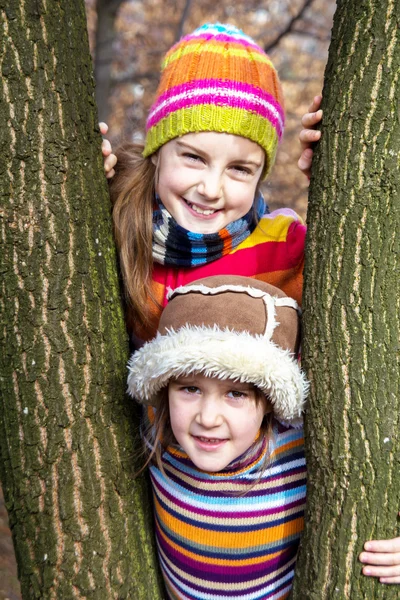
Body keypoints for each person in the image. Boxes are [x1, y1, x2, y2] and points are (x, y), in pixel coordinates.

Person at [101, 21, 400, 585]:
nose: (212, 188)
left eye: (240, 168)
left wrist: (340, 178)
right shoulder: (118, 228)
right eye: (192, 157)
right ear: (159, 151)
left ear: (263, 172)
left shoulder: (282, 249)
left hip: (273, 514)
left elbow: (381, 339)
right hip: (173, 510)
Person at [128, 274, 309, 599]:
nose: (207, 418)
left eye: (236, 394)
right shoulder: (159, 437)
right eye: (190, 388)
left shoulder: (297, 450)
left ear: (270, 399)